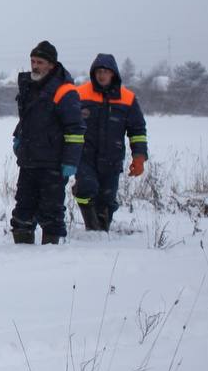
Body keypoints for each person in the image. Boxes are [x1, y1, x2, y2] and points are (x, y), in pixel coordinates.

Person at [11, 40, 84, 245]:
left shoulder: (64, 91)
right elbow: (28, 118)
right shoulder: (28, 86)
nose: (35, 66)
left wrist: (70, 161)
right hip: (28, 159)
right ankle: (21, 248)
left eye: (40, 62)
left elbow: (75, 129)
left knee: (51, 210)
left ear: (52, 65)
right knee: (23, 208)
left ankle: (51, 254)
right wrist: (19, 137)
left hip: (53, 161)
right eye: (33, 61)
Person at [72, 54, 148, 231]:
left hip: (112, 157)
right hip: (85, 155)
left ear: (113, 74)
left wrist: (139, 157)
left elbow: (137, 130)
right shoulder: (80, 94)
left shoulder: (128, 98)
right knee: (86, 187)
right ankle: (92, 227)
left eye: (105, 72)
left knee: (107, 197)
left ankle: (102, 228)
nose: (102, 75)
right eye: (98, 71)